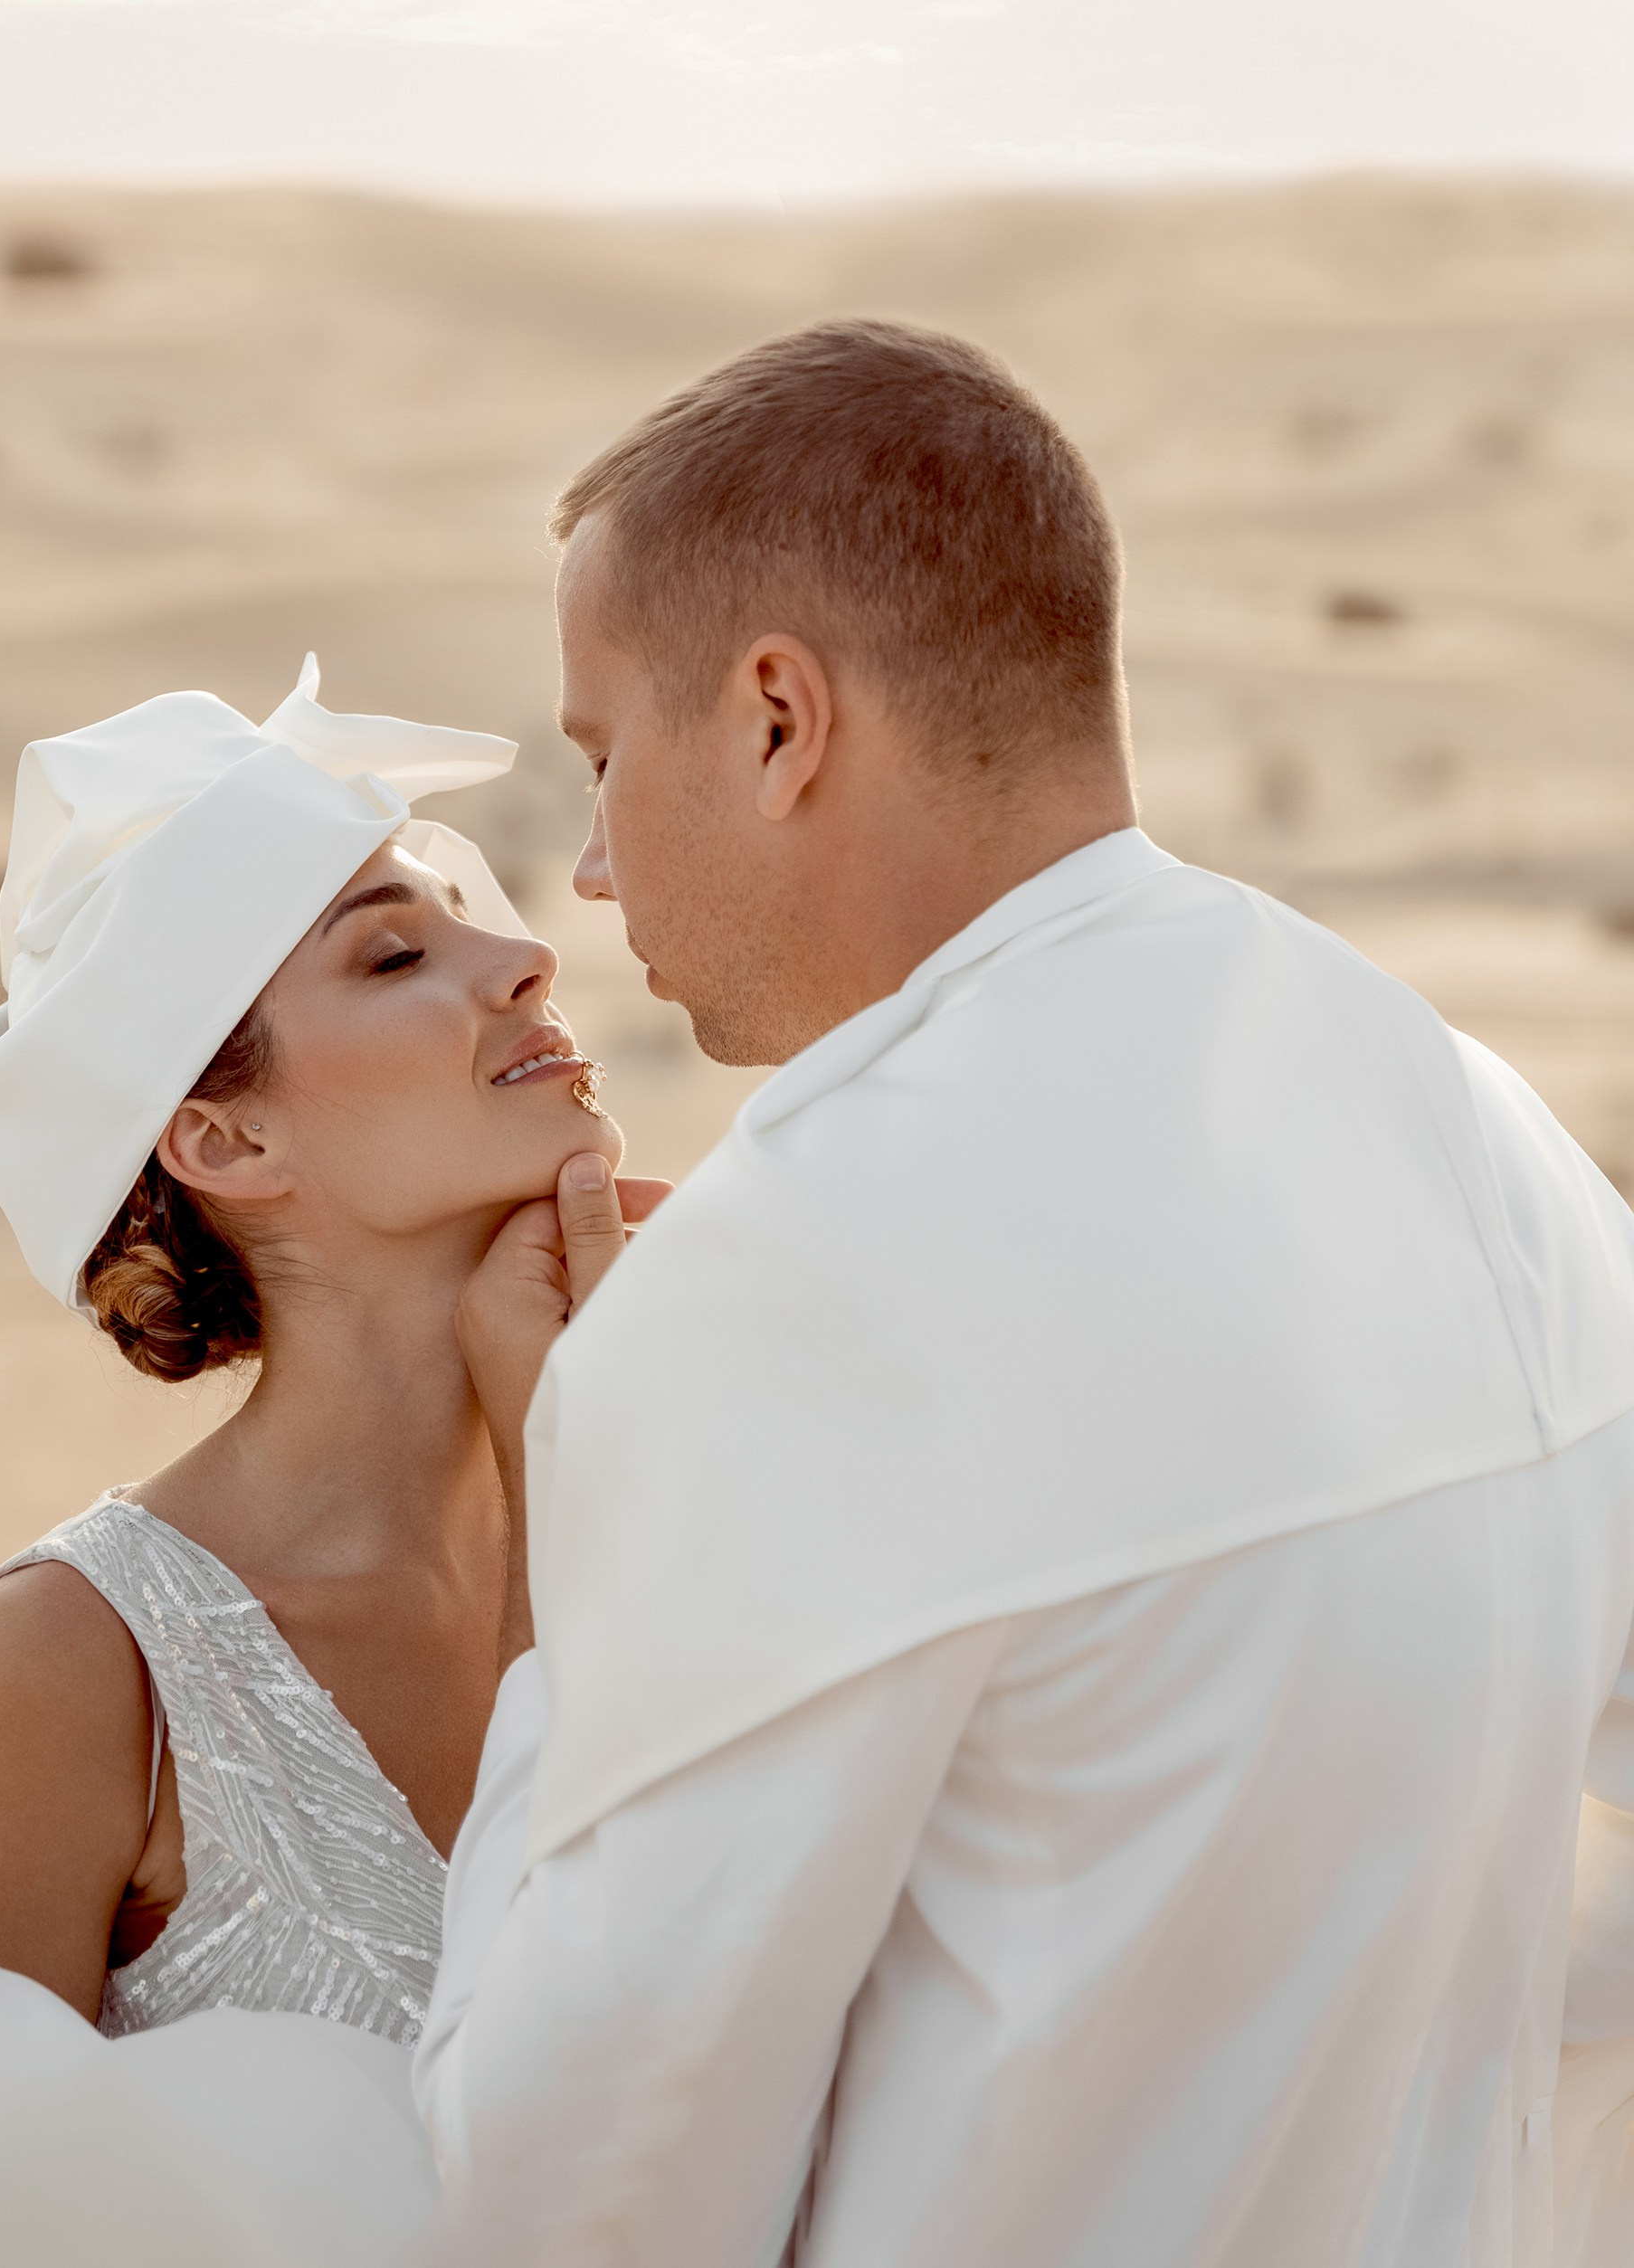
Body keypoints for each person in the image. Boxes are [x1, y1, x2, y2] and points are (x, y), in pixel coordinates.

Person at [408, 318, 1634, 2265]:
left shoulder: (774, 1284)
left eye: (601, 754)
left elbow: (577, 2193)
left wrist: (569, 1553)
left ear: (776, 720)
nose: (592, 877)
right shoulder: (1482, 1132)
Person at [0, 654, 660, 2045]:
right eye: (395, 953)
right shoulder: (76, 1668)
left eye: (462, 916)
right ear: (227, 1140)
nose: (525, 956)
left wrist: (585, 1460)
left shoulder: (711, 1502)